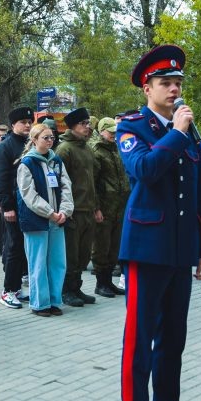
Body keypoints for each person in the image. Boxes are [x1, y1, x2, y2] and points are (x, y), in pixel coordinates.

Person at [117, 44, 201, 401]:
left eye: (178, 82)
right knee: (140, 342)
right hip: (146, 249)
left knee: (174, 338)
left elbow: (199, 195)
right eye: (165, 83)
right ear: (147, 88)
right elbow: (144, 172)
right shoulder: (132, 127)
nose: (174, 89)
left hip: (179, 250)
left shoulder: (187, 131)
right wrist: (174, 132)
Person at [16, 124, 74, 316]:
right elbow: (28, 195)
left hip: (57, 219)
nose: (50, 141)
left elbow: (66, 186)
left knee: (57, 262)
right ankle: (40, 303)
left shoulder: (56, 161)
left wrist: (64, 210)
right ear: (34, 140)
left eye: (52, 138)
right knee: (38, 263)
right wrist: (50, 212)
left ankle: (55, 300)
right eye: (45, 138)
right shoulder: (27, 163)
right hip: (37, 220)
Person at [56, 107, 101, 307]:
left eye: (88, 123)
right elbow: (58, 183)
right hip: (73, 211)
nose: (87, 127)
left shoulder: (86, 148)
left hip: (88, 209)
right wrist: (64, 210)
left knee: (83, 255)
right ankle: (66, 290)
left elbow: (92, 181)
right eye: (83, 124)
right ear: (73, 126)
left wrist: (96, 207)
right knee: (71, 255)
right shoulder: (64, 149)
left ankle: (76, 288)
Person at [0, 106, 34, 309]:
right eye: (23, 122)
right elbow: (0, 179)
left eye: (29, 122)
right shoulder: (5, 147)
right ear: (13, 125)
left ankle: (16, 288)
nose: (27, 125)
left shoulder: (29, 144)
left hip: (29, 205)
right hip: (13, 207)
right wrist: (6, 205)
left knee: (23, 249)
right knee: (14, 247)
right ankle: (7, 291)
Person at [90, 116, 129, 297]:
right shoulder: (97, 152)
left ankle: (109, 282)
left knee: (114, 246)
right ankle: (101, 283)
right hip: (104, 207)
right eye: (110, 131)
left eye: (115, 131)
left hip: (120, 206)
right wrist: (96, 208)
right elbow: (93, 183)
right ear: (101, 131)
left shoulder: (117, 149)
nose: (114, 134)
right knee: (101, 246)